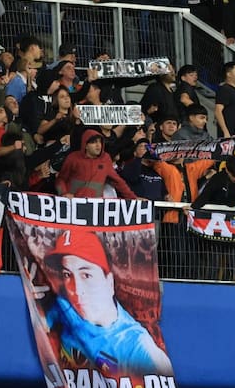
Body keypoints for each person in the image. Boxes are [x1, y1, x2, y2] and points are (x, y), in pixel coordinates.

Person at [41, 229, 173, 375]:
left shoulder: (138, 348)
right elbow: (42, 322)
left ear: (109, 282)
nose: (76, 290)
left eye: (86, 275)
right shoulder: (65, 305)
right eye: (67, 274)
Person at [55, 129, 137, 199]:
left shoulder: (105, 158)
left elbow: (118, 182)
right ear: (85, 145)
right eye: (94, 142)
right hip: (73, 204)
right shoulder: (73, 157)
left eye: (100, 142)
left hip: (95, 207)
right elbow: (60, 179)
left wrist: (133, 198)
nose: (98, 145)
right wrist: (64, 193)